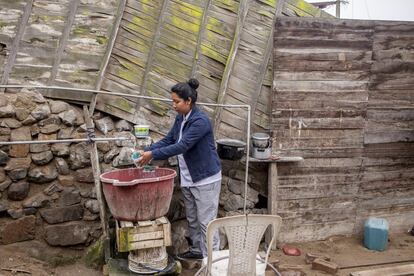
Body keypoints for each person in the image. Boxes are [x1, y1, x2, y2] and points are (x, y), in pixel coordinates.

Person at [137, 78, 222, 260]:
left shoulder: (201, 122)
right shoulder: (181, 118)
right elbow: (170, 140)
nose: (173, 105)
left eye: (176, 101)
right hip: (189, 177)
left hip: (206, 178)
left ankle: (213, 262)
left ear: (188, 101)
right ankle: (198, 251)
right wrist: (147, 149)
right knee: (192, 218)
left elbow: (182, 146)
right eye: (172, 101)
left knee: (207, 222)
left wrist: (152, 155)